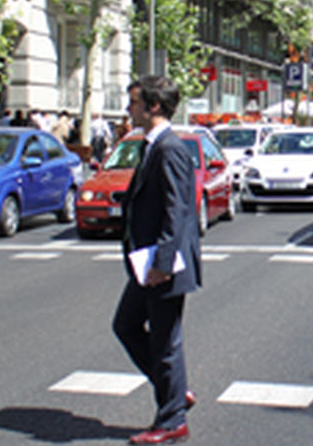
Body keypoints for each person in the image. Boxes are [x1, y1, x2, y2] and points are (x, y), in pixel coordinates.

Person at [112, 75, 201, 444]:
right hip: (147, 262)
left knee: (165, 342)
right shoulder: (153, 146)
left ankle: (171, 420)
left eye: (133, 102)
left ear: (153, 106)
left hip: (162, 265)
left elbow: (177, 210)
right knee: (127, 325)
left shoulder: (169, 148)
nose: (127, 109)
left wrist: (163, 264)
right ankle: (174, 393)